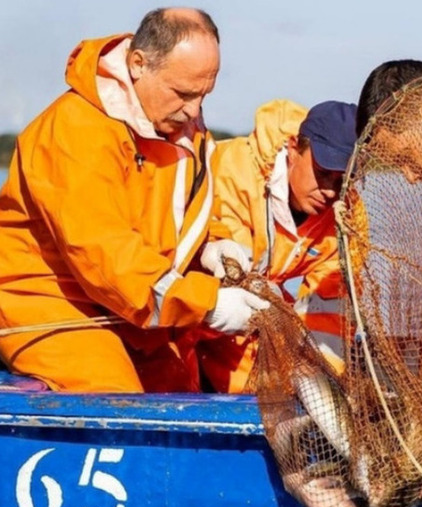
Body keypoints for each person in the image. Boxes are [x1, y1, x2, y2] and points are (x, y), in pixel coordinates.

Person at [0, 8, 265, 393]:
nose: (194, 110)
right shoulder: (76, 129)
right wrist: (208, 304)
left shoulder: (180, 125)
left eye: (204, 94)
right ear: (138, 64)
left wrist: (213, 242)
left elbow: (182, 210)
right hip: (47, 299)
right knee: (114, 392)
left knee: (181, 392)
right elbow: (104, 255)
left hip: (130, 305)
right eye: (183, 93)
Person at [196, 100, 357, 393]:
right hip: (192, 309)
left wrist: (323, 384)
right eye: (323, 173)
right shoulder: (234, 172)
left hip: (253, 317)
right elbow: (228, 274)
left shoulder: (342, 215)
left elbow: (330, 315)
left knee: (289, 389)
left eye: (342, 181)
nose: (331, 191)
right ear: (294, 149)